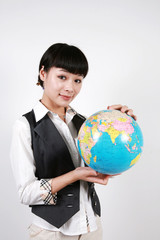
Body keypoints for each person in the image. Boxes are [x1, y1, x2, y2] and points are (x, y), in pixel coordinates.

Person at [10, 43, 137, 240]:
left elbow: (99, 167)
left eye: (77, 80)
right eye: (62, 77)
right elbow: (26, 193)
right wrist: (74, 175)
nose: (70, 88)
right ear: (43, 73)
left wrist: (117, 126)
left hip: (91, 227)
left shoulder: (85, 123)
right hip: (51, 232)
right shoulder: (25, 125)